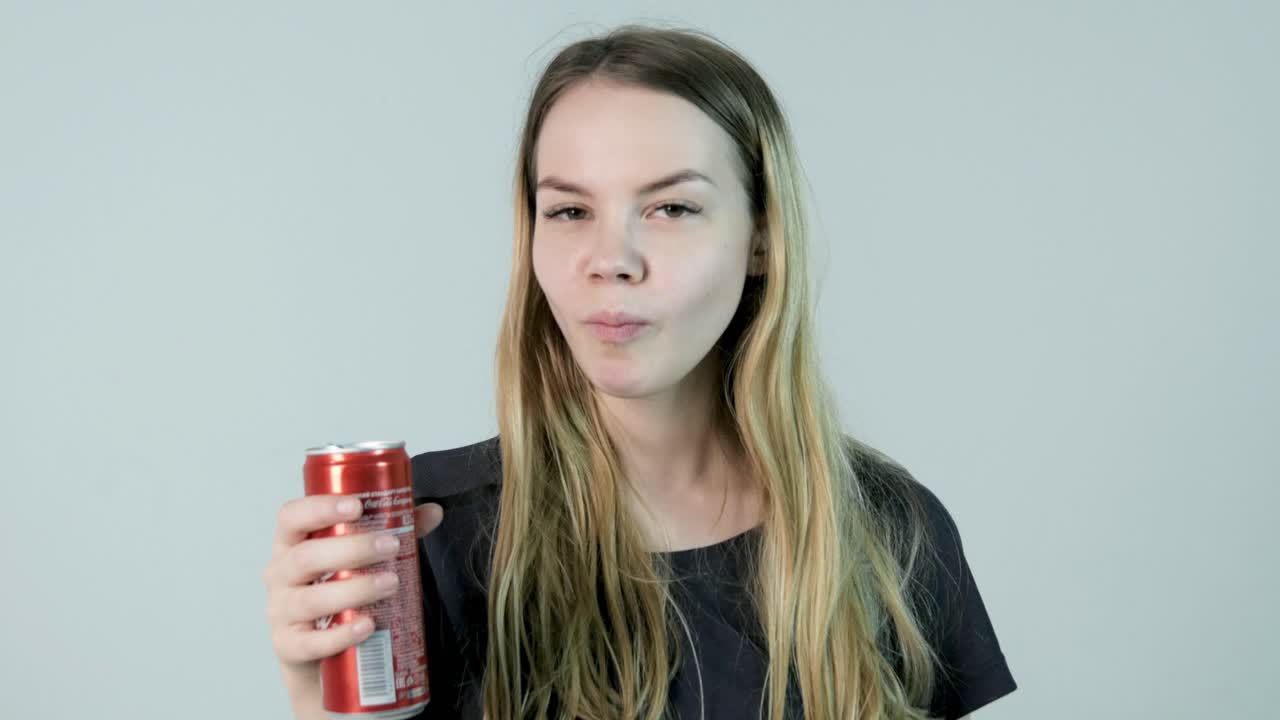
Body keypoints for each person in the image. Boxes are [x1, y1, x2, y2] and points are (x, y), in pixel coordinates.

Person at [263, 24, 1017, 720]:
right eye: (569, 212)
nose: (610, 261)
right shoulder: (427, 538)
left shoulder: (891, 532)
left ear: (761, 240)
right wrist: (317, 705)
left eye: (671, 209)